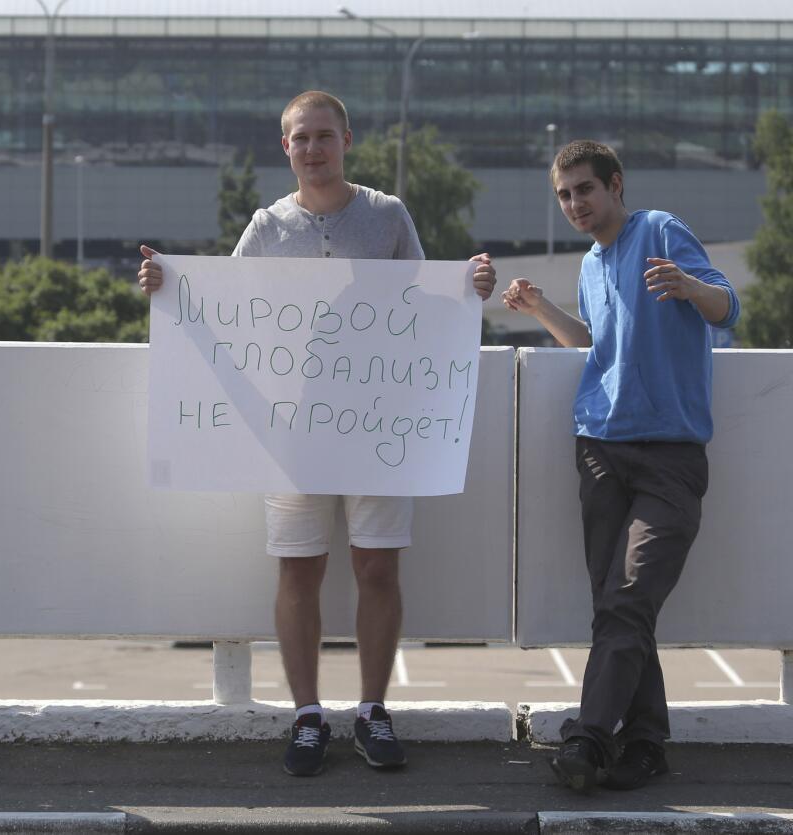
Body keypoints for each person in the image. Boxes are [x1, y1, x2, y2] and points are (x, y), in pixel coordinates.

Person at [138, 90, 496, 776]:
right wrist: (163, 282)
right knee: (298, 567)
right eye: (300, 138)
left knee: (377, 566)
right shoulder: (267, 224)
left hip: (380, 425)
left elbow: (425, 302)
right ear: (286, 147)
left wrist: (471, 285)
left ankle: (371, 710)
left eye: (323, 136)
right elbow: (222, 306)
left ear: (346, 140)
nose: (312, 149)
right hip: (292, 430)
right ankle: (307, 715)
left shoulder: (387, 216)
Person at [502, 140, 739, 792]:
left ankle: (587, 737)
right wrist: (540, 310)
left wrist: (691, 287)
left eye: (585, 188)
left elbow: (727, 304)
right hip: (599, 447)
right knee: (620, 606)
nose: (575, 202)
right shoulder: (589, 263)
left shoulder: (658, 229)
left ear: (615, 185)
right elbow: (592, 344)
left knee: (629, 596)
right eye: (565, 194)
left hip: (671, 457)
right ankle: (645, 743)